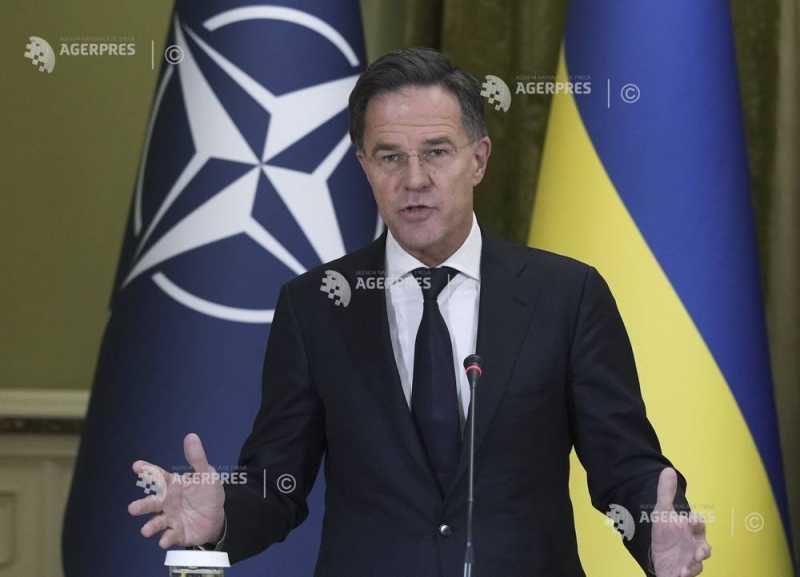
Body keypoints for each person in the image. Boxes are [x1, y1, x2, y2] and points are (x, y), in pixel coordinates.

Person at [128, 47, 712, 577]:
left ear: (478, 159)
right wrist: (224, 519)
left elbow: (623, 463)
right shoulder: (316, 306)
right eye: (390, 157)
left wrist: (654, 531)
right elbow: (278, 481)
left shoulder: (567, 296)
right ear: (364, 165)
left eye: (437, 152)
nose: (414, 180)